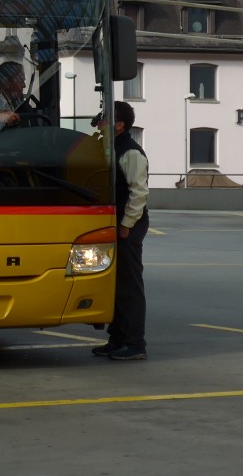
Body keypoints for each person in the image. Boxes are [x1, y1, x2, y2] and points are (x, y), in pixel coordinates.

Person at [93, 99, 150, 361]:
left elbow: (139, 193)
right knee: (116, 283)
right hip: (114, 222)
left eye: (107, 119)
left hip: (128, 223)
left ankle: (135, 343)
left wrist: (127, 224)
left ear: (120, 124)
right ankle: (118, 339)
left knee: (129, 284)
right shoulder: (111, 147)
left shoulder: (131, 152)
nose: (101, 122)